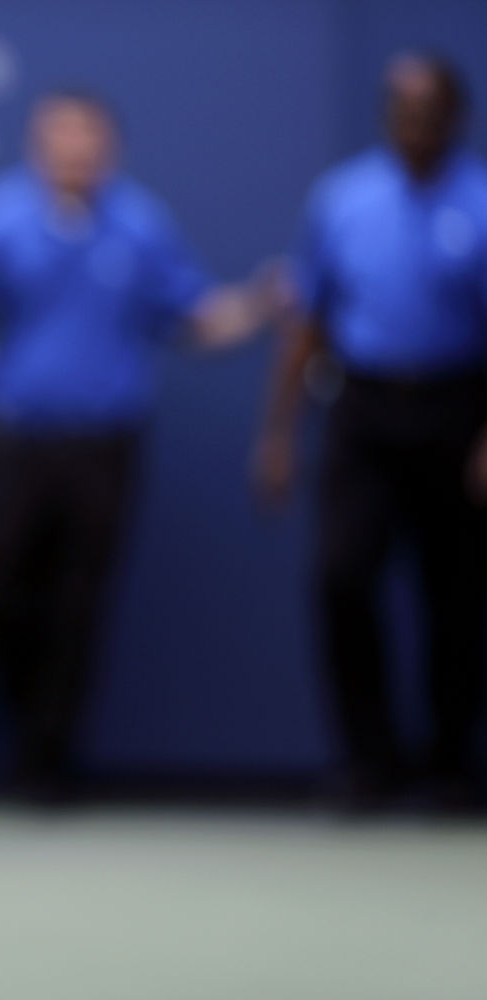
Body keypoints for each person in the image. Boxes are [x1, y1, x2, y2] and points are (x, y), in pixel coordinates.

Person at [0, 91, 276, 801]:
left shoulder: (140, 224)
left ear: (110, 146)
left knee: (79, 604)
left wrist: (258, 304)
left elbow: (196, 318)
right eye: (60, 135)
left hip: (106, 445)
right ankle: (21, 732)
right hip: (12, 438)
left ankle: (47, 763)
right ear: (38, 145)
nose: (74, 149)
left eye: (87, 136)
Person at [253, 53, 487, 812]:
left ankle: (449, 763)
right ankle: (367, 762)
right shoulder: (344, 198)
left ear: (456, 118)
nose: (414, 126)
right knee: (342, 579)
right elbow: (307, 322)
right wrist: (279, 435)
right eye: (402, 111)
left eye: (429, 112)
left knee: (455, 597)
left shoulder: (482, 200)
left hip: (460, 410)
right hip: (363, 410)